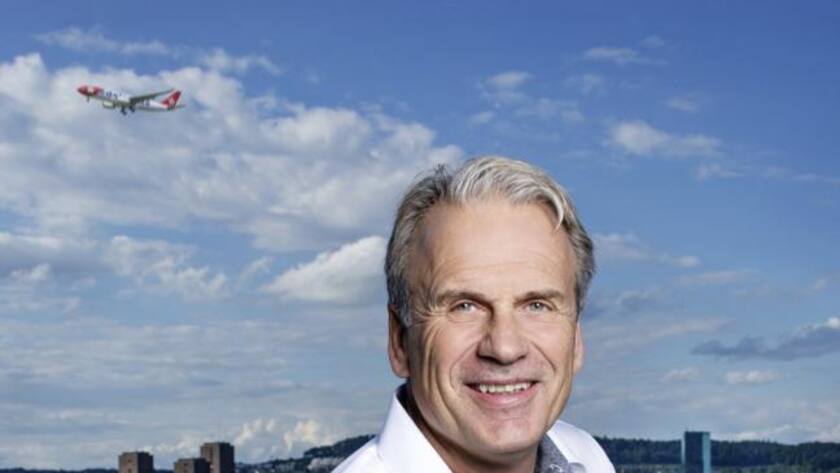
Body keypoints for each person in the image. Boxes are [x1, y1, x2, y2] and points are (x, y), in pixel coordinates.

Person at [334, 156, 615, 473]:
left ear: (575, 337)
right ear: (399, 341)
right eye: (464, 306)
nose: (505, 348)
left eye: (537, 305)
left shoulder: (585, 457)